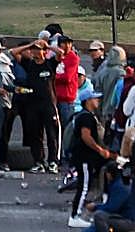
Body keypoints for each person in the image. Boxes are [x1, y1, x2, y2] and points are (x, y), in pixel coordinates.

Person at [10, 37, 62, 173]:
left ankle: (53, 162)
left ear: (44, 52)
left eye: (38, 50)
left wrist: (47, 46)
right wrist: (30, 45)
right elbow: (14, 53)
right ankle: (38, 161)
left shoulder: (50, 64)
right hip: (33, 105)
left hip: (48, 104)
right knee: (35, 134)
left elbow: (61, 53)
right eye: (34, 50)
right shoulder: (29, 64)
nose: (35, 52)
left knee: (51, 134)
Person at [68, 88, 115, 227]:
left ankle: (77, 214)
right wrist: (99, 150)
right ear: (87, 101)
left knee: (85, 185)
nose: (98, 100)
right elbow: (86, 136)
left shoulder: (85, 115)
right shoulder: (86, 117)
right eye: (95, 98)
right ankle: (75, 216)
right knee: (84, 186)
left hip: (85, 156)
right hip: (84, 157)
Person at [82, 161, 135, 232]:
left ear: (110, 173)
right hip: (121, 217)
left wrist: (95, 207)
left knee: (99, 216)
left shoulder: (120, 186)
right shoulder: (118, 183)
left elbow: (112, 208)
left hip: (128, 221)